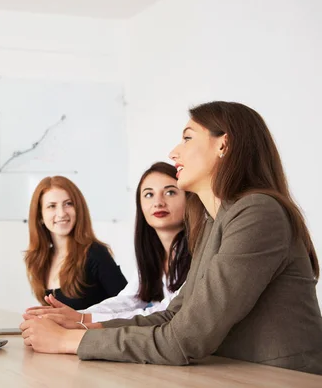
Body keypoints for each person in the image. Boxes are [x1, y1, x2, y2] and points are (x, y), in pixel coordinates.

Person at [20, 101, 322, 375]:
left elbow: (184, 339)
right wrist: (85, 324)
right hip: (238, 374)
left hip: (285, 379)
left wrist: (70, 340)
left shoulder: (257, 213)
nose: (173, 152)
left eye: (188, 137)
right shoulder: (216, 222)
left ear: (223, 145)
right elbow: (173, 316)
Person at [25, 162, 190, 325]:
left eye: (170, 192)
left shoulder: (199, 252)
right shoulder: (153, 255)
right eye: (148, 194)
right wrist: (72, 316)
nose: (158, 202)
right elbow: (129, 299)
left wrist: (82, 319)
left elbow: (168, 312)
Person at [24, 176, 127, 311]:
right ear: (40, 216)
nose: (61, 213)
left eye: (68, 204)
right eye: (52, 206)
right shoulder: (41, 259)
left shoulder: (95, 253)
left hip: (93, 332)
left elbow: (128, 306)